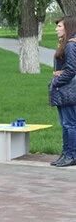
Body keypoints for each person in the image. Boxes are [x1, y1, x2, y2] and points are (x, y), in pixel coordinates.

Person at [50, 17, 76, 167]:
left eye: (59, 26)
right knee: (66, 124)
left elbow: (72, 69)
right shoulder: (66, 44)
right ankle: (66, 153)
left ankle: (71, 155)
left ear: (68, 27)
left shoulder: (70, 46)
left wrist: (56, 81)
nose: (56, 29)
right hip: (65, 90)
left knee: (70, 124)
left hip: (68, 90)